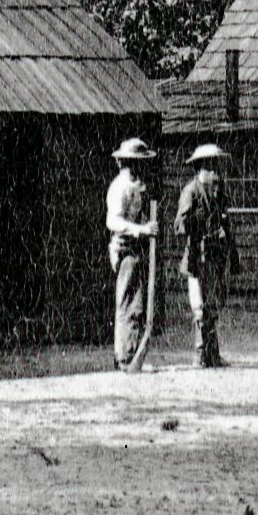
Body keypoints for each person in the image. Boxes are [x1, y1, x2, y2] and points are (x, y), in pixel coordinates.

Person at [178, 144, 240, 368]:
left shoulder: (219, 194)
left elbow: (227, 225)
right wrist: (199, 225)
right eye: (211, 167)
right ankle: (200, 354)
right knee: (200, 307)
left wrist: (233, 256)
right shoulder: (191, 192)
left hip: (216, 256)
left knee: (213, 305)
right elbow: (180, 224)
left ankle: (213, 355)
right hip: (197, 256)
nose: (216, 172)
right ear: (200, 168)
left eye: (217, 167)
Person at [106, 139, 161, 371]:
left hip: (136, 249)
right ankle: (125, 358)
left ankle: (132, 353)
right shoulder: (120, 187)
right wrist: (141, 229)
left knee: (136, 304)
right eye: (135, 163)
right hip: (125, 248)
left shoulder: (137, 186)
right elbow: (113, 221)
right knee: (128, 303)